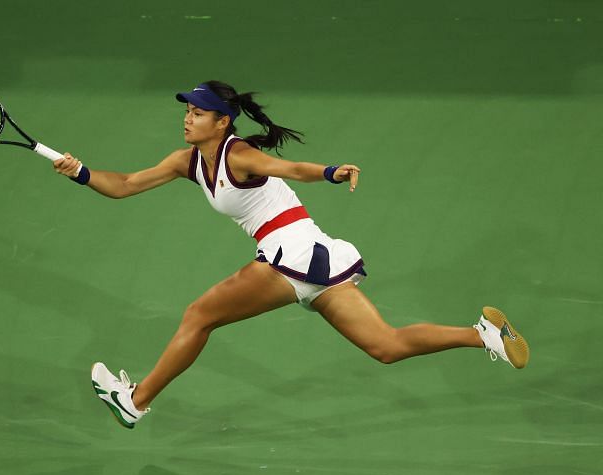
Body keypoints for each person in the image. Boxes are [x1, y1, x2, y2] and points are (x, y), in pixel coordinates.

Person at [53, 81, 530, 429]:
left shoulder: (238, 154)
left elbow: (288, 167)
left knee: (199, 316)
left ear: (222, 122)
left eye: (198, 112)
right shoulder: (186, 162)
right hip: (312, 254)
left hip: (290, 250)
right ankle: (483, 335)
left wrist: (329, 172)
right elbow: (125, 186)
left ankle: (134, 401)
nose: (188, 117)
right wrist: (80, 171)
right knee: (386, 346)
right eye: (187, 110)